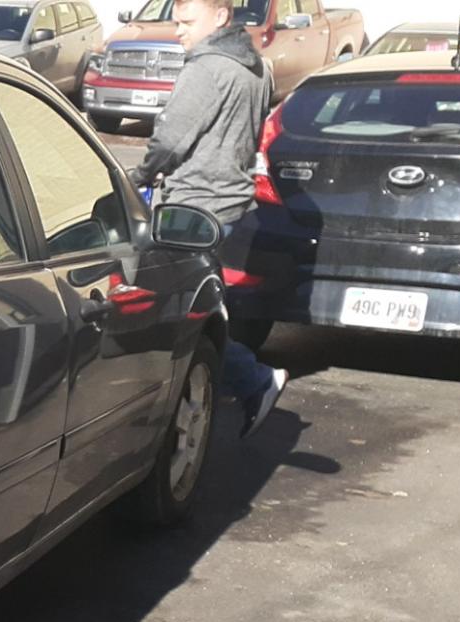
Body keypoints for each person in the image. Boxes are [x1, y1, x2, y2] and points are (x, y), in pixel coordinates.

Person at [131, 0, 288, 439]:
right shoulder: (255, 66)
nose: (178, 31)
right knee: (196, 302)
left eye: (186, 22)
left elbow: (171, 138)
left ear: (220, 17)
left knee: (181, 310)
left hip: (193, 207)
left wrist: (137, 176)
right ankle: (224, 379)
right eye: (176, 21)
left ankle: (252, 379)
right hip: (228, 203)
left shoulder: (206, 69)